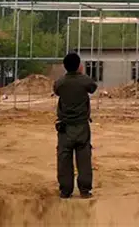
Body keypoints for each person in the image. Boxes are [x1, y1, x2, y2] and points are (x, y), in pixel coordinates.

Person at [54, 51, 98, 199]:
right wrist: (81, 74)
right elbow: (93, 87)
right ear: (79, 65)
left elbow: (56, 90)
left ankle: (65, 190)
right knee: (84, 158)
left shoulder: (60, 82)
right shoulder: (84, 81)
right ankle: (84, 190)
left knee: (64, 158)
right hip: (81, 127)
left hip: (65, 128)